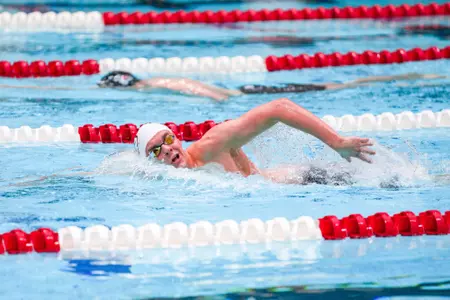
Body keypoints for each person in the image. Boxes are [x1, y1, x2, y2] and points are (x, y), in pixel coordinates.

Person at [134, 97, 375, 184]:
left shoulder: (214, 144)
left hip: (306, 180)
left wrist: (337, 142)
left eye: (167, 139)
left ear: (177, 137)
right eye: (155, 151)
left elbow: (279, 108)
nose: (165, 150)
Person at [1, 72, 445, 102]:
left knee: (330, 86)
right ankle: (405, 74)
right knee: (330, 84)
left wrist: (222, 100)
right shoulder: (151, 83)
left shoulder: (153, 85)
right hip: (242, 89)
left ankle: (410, 75)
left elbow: (205, 92)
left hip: (241, 93)